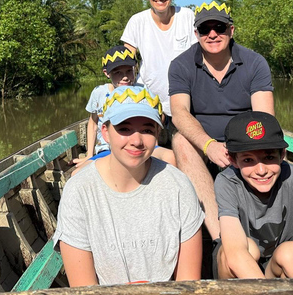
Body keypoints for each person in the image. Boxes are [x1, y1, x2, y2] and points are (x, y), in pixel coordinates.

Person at [53, 86, 204, 286]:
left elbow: (187, 284)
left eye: (147, 130)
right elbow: (84, 289)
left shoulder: (178, 186)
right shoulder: (79, 192)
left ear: (158, 133)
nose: (137, 141)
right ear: (105, 132)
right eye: (124, 128)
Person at [169, 1, 275, 239]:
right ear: (196, 34)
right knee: (180, 141)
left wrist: (242, 147)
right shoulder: (181, 66)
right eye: (205, 29)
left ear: (231, 30)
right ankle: (220, 238)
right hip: (203, 142)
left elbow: (264, 118)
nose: (213, 34)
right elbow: (179, 113)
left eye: (220, 27)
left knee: (269, 145)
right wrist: (209, 145)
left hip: (245, 137)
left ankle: (264, 224)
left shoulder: (255, 63)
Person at [214, 111, 293, 279]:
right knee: (241, 251)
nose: (261, 171)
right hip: (240, 265)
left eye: (268, 157)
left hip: (277, 266)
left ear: (282, 154)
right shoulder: (226, 182)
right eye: (248, 160)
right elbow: (236, 255)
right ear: (232, 160)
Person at [74, 45, 175, 172]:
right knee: (77, 173)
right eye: (117, 73)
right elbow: (93, 124)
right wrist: (89, 154)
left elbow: (156, 119)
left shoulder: (142, 92)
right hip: (107, 149)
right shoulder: (99, 93)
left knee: (171, 157)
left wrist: (154, 146)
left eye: (129, 71)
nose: (125, 77)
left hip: (140, 146)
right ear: (106, 73)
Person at [121, 0, 197, 119]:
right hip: (148, 99)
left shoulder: (187, 16)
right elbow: (126, 61)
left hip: (186, 99)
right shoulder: (137, 21)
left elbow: (200, 55)